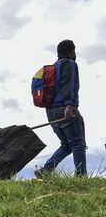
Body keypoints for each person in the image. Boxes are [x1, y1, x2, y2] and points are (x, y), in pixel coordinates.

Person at [35, 39, 86, 178]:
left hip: (51, 112)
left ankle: (45, 171)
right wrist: (69, 105)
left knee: (67, 145)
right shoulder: (70, 64)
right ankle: (81, 177)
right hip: (65, 108)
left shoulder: (52, 68)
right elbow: (70, 85)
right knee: (78, 144)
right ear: (71, 52)